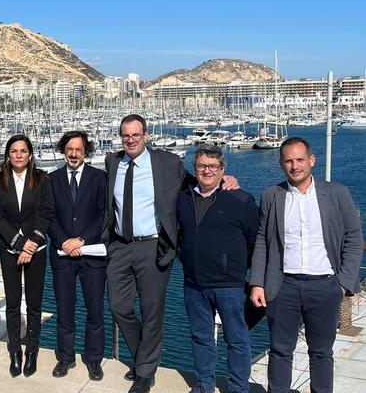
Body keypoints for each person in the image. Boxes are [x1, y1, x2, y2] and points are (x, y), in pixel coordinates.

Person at [102, 114, 238, 393]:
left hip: (153, 245)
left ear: (146, 136)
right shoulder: (112, 162)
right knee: (119, 306)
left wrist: (224, 180)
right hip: (119, 245)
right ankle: (144, 359)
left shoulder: (167, 162)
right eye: (125, 135)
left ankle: (144, 374)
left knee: (152, 312)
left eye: (135, 135)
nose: (130, 140)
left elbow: (196, 184)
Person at [250, 137, 363, 393]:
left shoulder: (337, 193)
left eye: (300, 159)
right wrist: (257, 282)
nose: (295, 166)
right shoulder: (272, 195)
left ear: (311, 161)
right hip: (283, 286)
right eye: (289, 161)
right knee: (279, 350)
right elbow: (262, 241)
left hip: (325, 286)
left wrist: (344, 282)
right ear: (281, 164)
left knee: (321, 352)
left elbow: (354, 238)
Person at [177, 145, 258, 393]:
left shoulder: (241, 200)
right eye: (202, 166)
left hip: (229, 284)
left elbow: (255, 240)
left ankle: (238, 387)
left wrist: (244, 271)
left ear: (223, 170)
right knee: (201, 337)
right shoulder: (183, 198)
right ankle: (204, 384)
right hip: (194, 283)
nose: (207, 171)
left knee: (237, 339)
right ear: (195, 169)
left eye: (213, 166)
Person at [0, 134, 54, 378]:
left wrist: (31, 244)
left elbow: (47, 212)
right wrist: (17, 243)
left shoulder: (42, 180)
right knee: (14, 305)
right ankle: (15, 351)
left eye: (23, 151)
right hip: (9, 251)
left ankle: (32, 352)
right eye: (14, 151)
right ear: (8, 155)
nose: (18, 155)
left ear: (30, 154)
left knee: (35, 305)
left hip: (36, 252)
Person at [47, 131, 108, 381]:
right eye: (69, 149)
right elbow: (47, 215)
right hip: (61, 256)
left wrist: (81, 240)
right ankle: (66, 357)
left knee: (95, 310)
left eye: (78, 150)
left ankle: (93, 359)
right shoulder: (50, 179)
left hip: (92, 256)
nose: (73, 154)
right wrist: (64, 241)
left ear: (86, 152)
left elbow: (104, 215)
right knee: (64, 309)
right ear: (64, 151)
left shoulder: (99, 178)